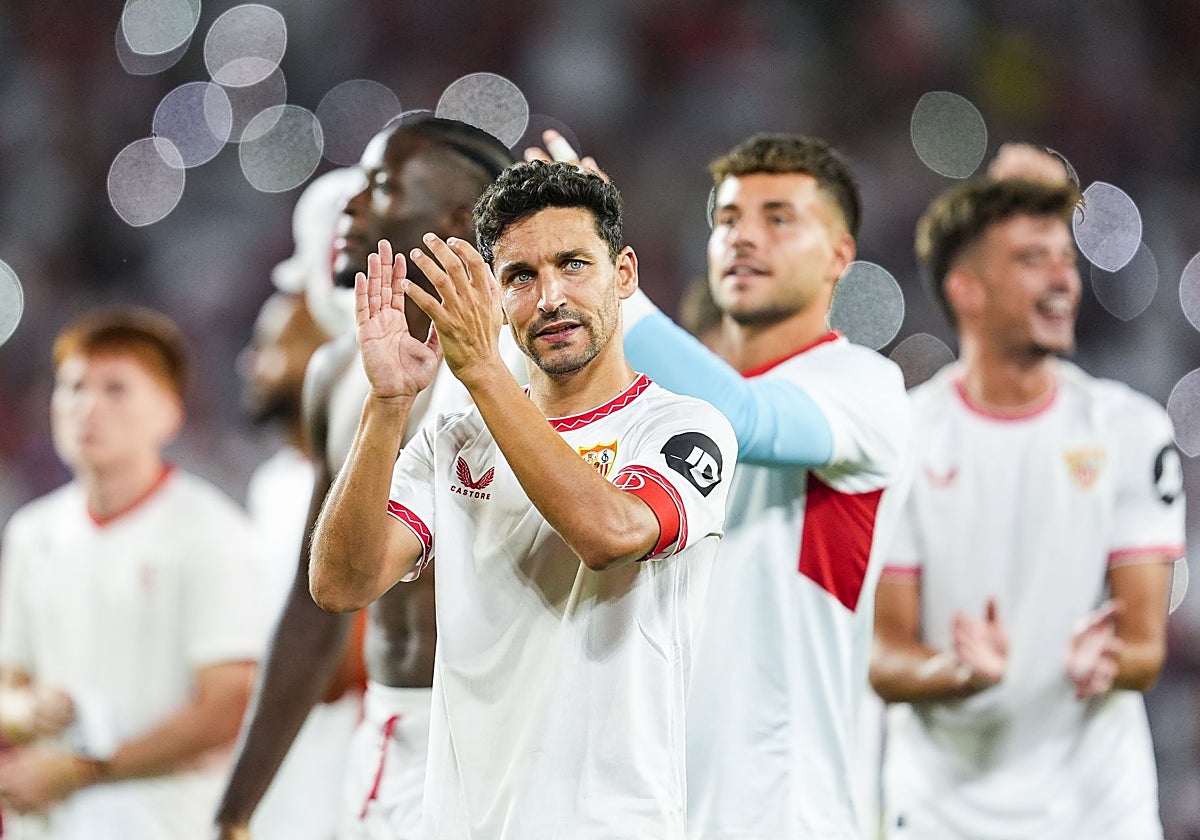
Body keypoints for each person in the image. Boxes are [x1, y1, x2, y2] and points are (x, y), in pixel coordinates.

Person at [309, 161, 738, 839]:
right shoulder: (455, 443)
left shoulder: (683, 429)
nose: (549, 299)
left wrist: (480, 371)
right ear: (495, 294)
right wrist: (387, 405)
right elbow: (341, 583)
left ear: (623, 274)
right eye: (520, 277)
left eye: (573, 265)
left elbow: (609, 534)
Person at [529, 131, 911, 839]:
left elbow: (744, 419)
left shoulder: (863, 387)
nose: (744, 237)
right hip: (643, 805)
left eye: (778, 218)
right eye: (729, 219)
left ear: (839, 255)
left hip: (782, 811)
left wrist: (606, 290)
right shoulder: (658, 398)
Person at [214, 114, 520, 840]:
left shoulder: (526, 371)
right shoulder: (335, 375)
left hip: (505, 734)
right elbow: (313, 607)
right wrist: (235, 810)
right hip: (388, 734)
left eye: (378, 186)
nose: (350, 207)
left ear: (454, 217)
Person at [870, 145, 1185, 839]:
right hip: (942, 817)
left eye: (1064, 260)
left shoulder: (1132, 431)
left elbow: (1143, 645)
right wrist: (958, 671)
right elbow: (884, 656)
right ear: (966, 289)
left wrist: (1107, 660)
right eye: (1030, 261)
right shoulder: (903, 438)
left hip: (1098, 812)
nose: (1062, 282)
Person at [0, 306, 265, 840]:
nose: (86, 407)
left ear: (169, 412)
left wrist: (83, 771)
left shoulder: (210, 531)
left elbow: (227, 707)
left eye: (116, 389)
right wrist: (27, 711)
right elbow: (10, 683)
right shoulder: (33, 533)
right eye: (73, 387)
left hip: (166, 823)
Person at [238, 289, 366, 840]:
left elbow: (344, 657)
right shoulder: (269, 484)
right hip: (286, 766)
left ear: (328, 353)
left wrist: (248, 672)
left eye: (272, 346)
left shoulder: (362, 479)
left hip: (349, 764)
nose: (250, 362)